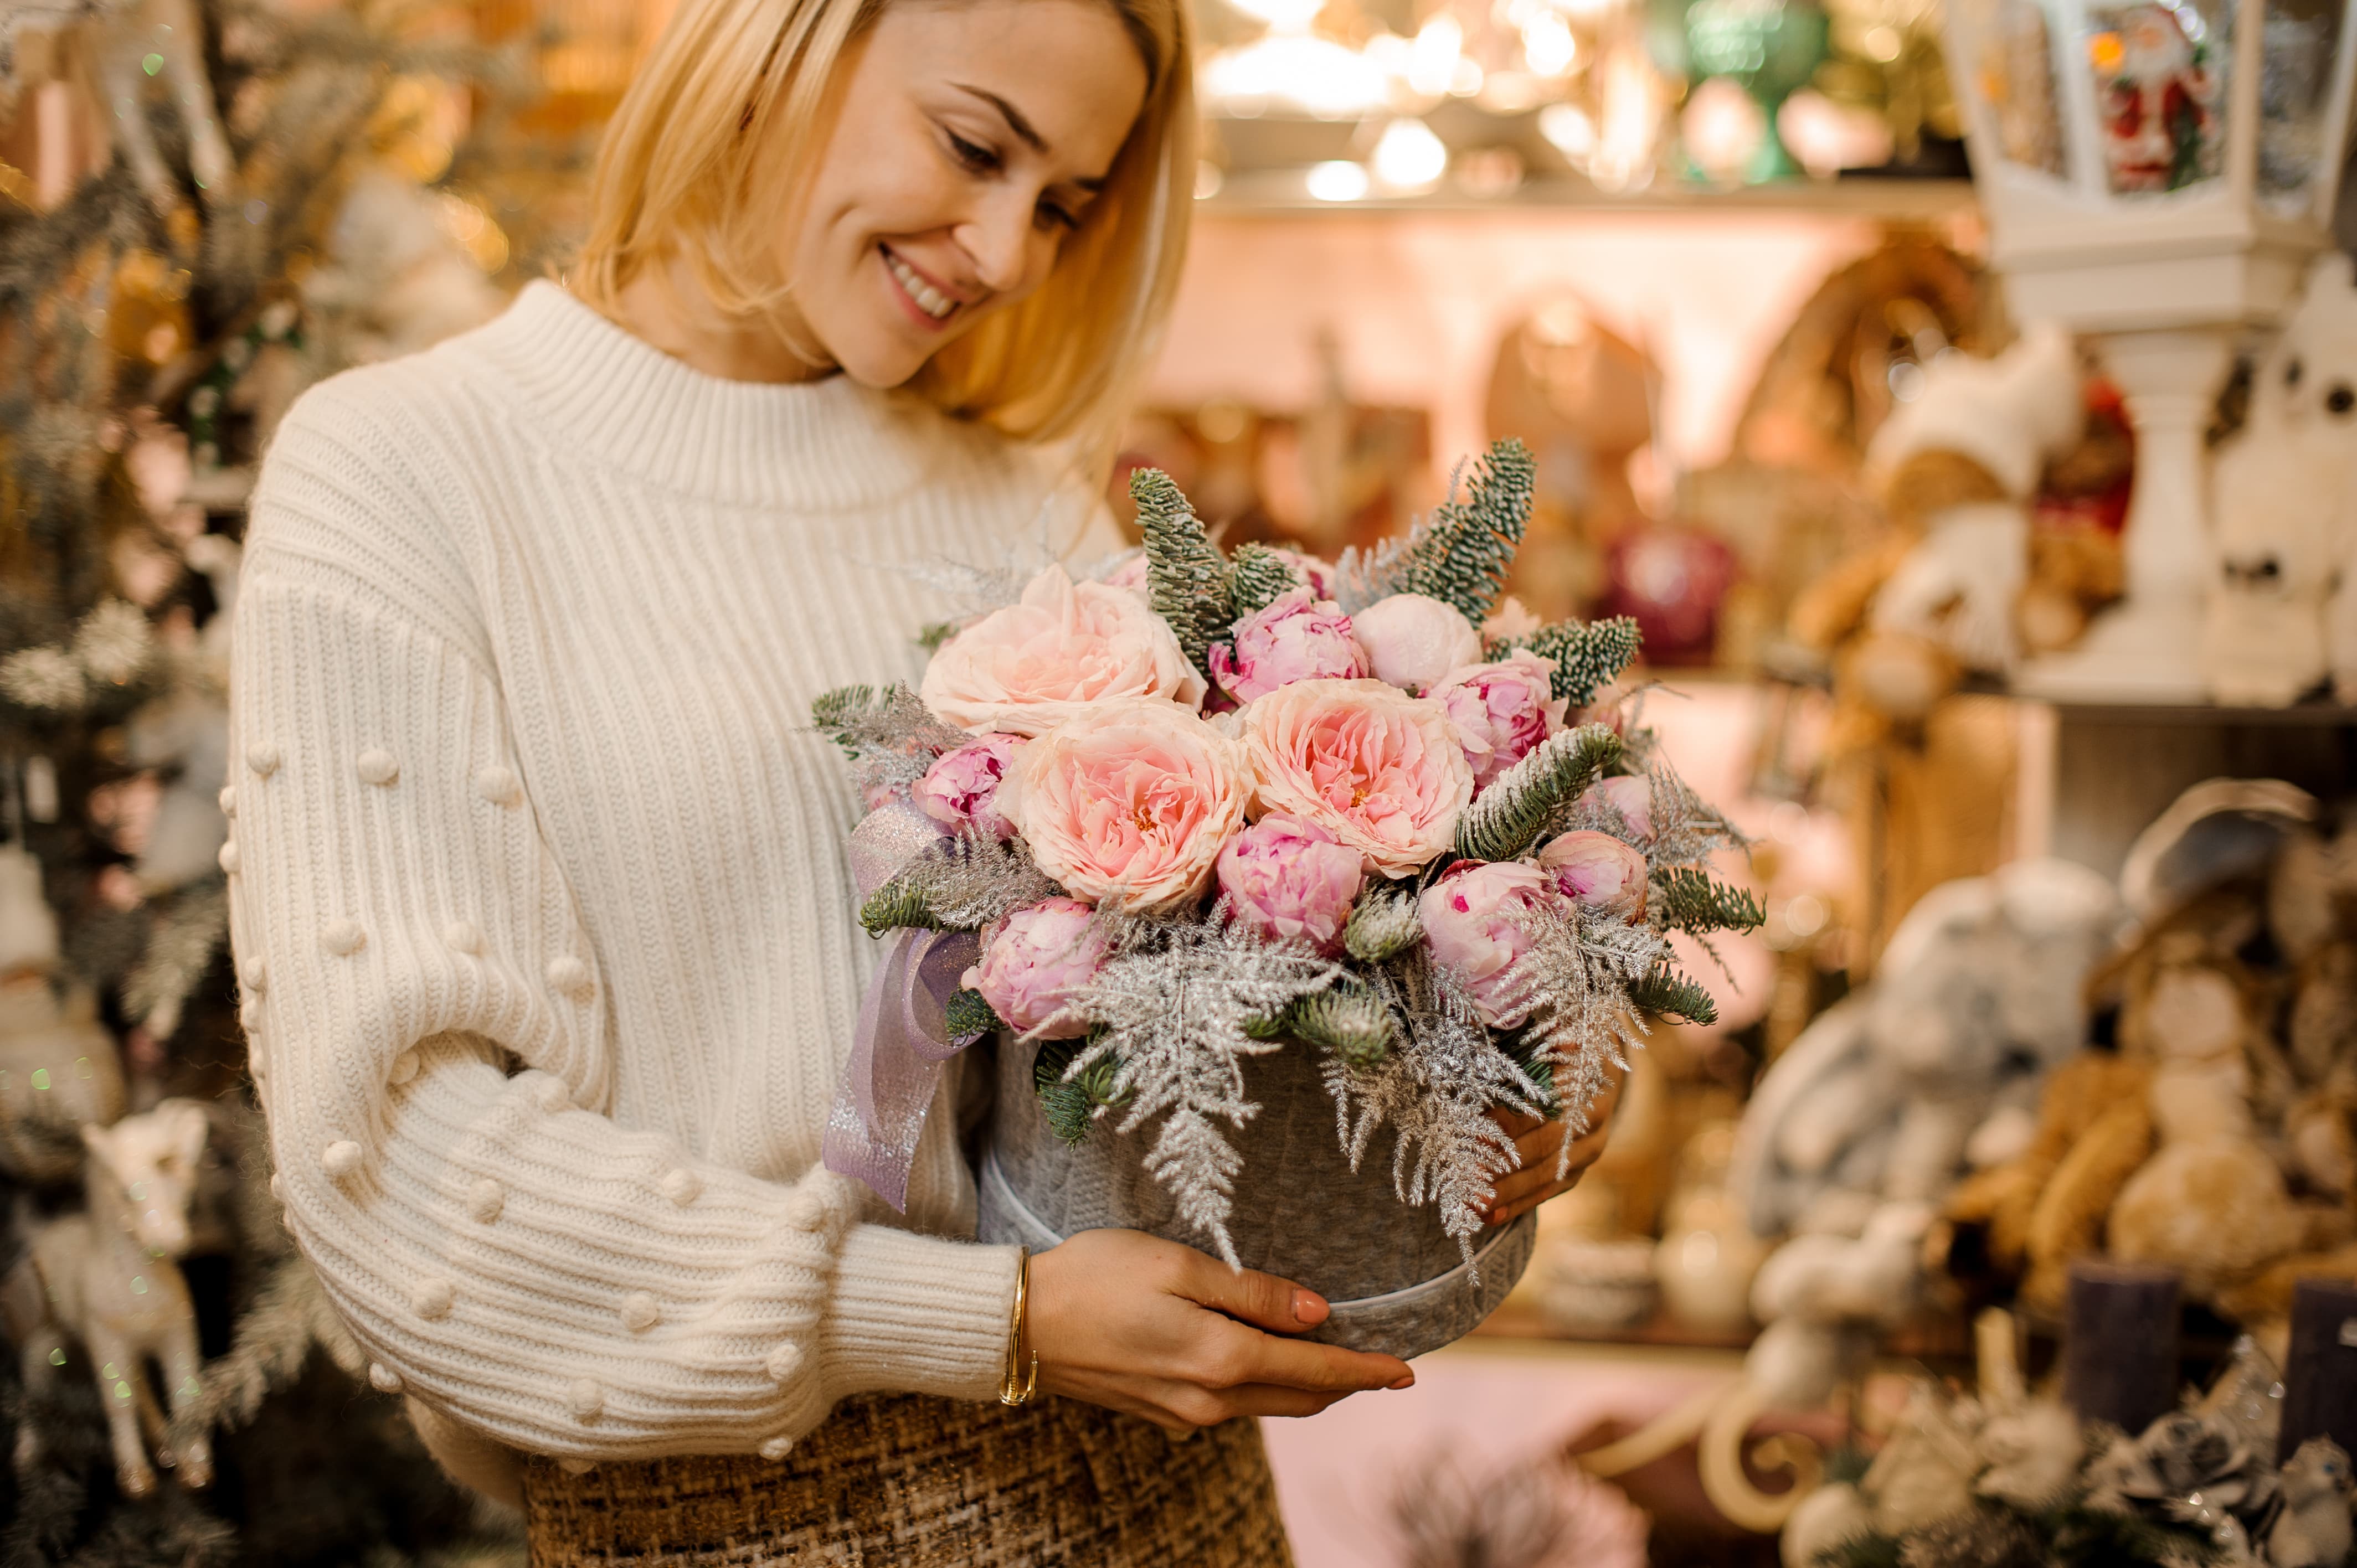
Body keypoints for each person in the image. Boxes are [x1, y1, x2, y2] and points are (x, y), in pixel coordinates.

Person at [227, 0, 1614, 1559]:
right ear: (783, 42)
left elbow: (1212, 1006)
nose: (1013, 252)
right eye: (973, 146)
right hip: (732, 1522)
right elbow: (409, 1183)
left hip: (1171, 1500)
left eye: (1066, 203)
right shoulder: (402, 474)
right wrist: (984, 1319)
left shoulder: (1025, 501)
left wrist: (1501, 1048)